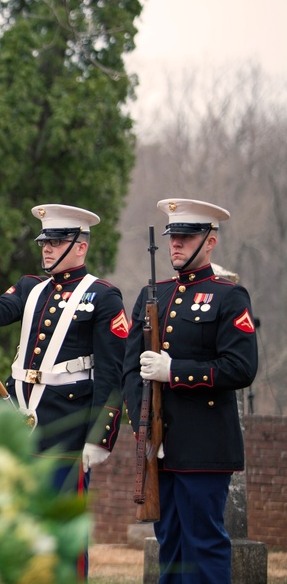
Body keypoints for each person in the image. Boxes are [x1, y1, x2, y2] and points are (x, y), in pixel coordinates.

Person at [0, 204, 127, 579]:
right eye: (44, 241)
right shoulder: (31, 288)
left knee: (59, 532)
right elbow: (2, 306)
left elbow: (112, 375)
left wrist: (100, 437)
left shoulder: (103, 297)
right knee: (20, 529)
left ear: (80, 247)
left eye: (56, 241)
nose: (47, 249)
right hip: (23, 424)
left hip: (68, 431)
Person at [121, 198, 258, 584]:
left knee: (205, 546)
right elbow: (130, 370)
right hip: (160, 448)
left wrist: (174, 371)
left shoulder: (229, 296)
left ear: (210, 240)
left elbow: (241, 367)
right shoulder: (154, 294)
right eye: (172, 236)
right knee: (171, 547)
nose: (176, 244)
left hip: (204, 447)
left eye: (186, 236)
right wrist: (143, 425)